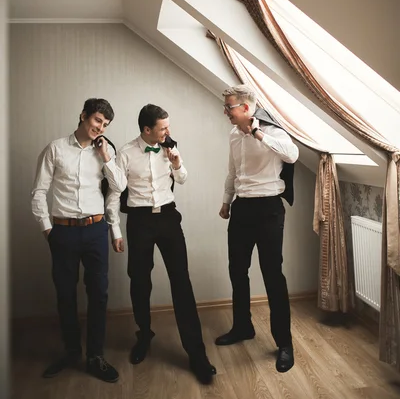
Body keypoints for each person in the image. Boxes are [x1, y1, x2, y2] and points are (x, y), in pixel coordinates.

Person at [106, 104, 216, 384]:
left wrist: (177, 162)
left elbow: (183, 178)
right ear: (146, 129)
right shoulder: (126, 152)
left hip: (168, 218)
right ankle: (144, 336)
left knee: (182, 282)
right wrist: (115, 229)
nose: (169, 131)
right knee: (139, 281)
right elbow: (115, 190)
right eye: (163, 127)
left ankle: (197, 353)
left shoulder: (170, 146)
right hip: (139, 221)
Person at [31, 98, 127, 382]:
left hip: (96, 230)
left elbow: (120, 187)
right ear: (84, 115)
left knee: (99, 293)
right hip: (63, 232)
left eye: (106, 124)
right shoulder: (56, 148)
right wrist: (49, 230)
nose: (100, 127)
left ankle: (95, 356)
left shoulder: (105, 151)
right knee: (65, 294)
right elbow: (38, 191)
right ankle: (71, 350)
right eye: (97, 120)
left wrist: (107, 158)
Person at [215, 85, 299, 373]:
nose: (225, 111)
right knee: (237, 271)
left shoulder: (274, 131)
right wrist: (227, 201)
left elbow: (292, 155)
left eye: (229, 107)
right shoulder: (232, 135)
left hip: (268, 210)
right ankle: (242, 327)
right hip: (241, 208)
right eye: (225, 106)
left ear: (246, 108)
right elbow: (231, 170)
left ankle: (284, 344)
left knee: (273, 275)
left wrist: (259, 134)